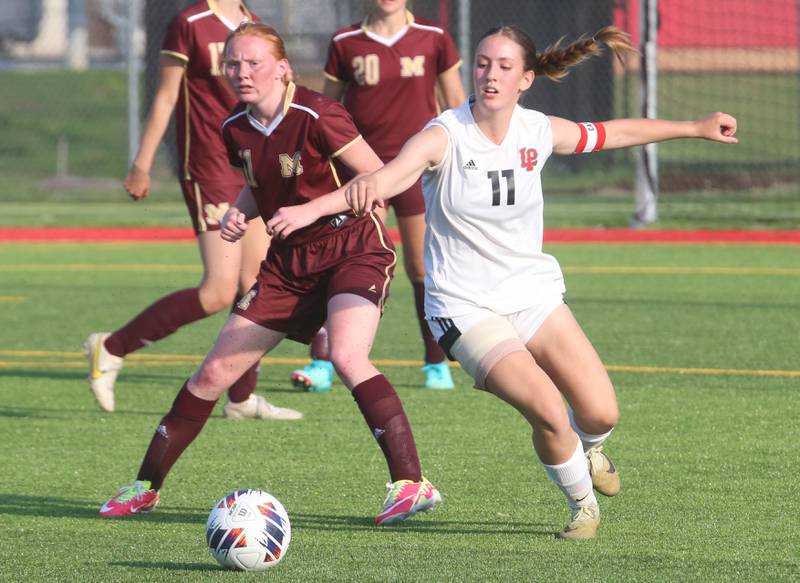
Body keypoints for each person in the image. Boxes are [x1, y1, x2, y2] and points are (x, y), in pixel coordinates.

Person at [268, 25, 738, 539]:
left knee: (600, 412)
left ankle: (590, 447)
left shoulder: (537, 130)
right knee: (548, 411)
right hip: (464, 307)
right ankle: (582, 506)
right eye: (483, 64)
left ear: (526, 79)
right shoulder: (444, 135)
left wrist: (694, 126)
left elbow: (613, 133)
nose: (490, 75)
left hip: (531, 294)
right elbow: (382, 179)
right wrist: (311, 208)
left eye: (504, 67)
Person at [99, 22, 442, 527]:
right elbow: (263, 184)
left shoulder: (319, 113)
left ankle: (411, 483)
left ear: (282, 68)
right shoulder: (234, 126)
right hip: (287, 267)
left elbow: (378, 181)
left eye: (254, 62)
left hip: (352, 248)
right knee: (213, 372)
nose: (241, 72)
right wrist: (243, 210)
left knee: (347, 355)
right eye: (233, 64)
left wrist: (310, 211)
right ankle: (145, 486)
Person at [83, 0, 301, 421]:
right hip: (208, 167)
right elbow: (166, 97)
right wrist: (142, 163)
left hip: (251, 165)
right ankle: (110, 348)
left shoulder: (254, 25)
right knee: (219, 289)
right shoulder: (190, 23)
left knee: (257, 285)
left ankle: (241, 399)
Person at [289, 0, 466, 393]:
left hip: (418, 170)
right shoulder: (346, 41)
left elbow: (457, 108)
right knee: (344, 260)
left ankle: (436, 363)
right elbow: (324, 109)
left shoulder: (434, 38)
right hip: (364, 173)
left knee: (421, 268)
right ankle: (323, 361)